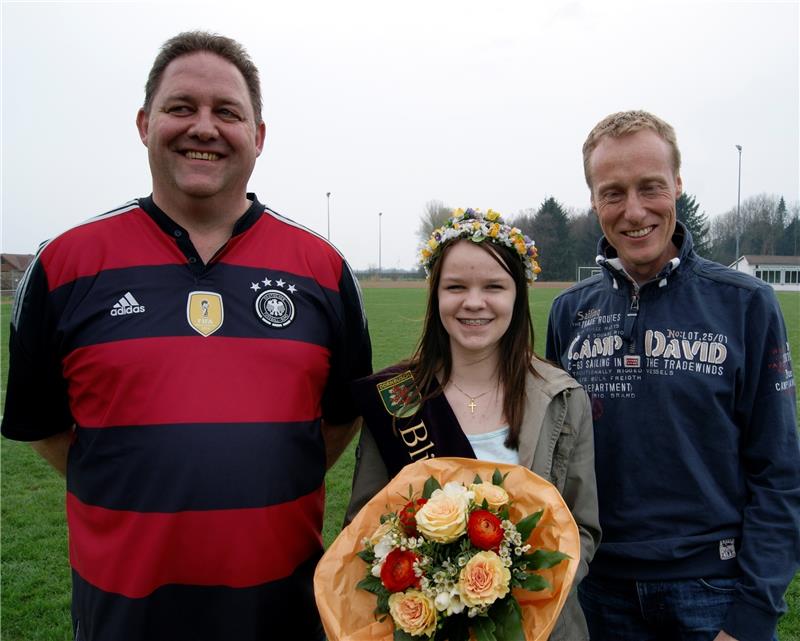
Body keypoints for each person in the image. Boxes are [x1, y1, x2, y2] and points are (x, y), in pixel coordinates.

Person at [1, 31, 371, 641]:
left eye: (227, 112)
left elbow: (335, 424)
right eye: (181, 107)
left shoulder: (323, 269)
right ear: (145, 123)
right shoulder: (64, 265)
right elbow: (44, 428)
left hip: (279, 613)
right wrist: (137, 480)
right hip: (124, 615)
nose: (204, 127)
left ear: (258, 136)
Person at [546, 110, 800, 641]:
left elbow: (779, 471)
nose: (634, 211)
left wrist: (753, 613)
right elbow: (556, 459)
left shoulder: (747, 305)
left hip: (714, 594)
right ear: (594, 200)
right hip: (598, 593)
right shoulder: (569, 312)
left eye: (651, 187)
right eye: (612, 192)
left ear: (678, 186)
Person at [346, 208, 601, 641]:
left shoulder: (563, 398)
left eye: (494, 287)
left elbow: (584, 529)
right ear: (436, 295)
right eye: (456, 287)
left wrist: (514, 595)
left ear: (517, 295)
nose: (474, 302)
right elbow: (364, 527)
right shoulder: (398, 398)